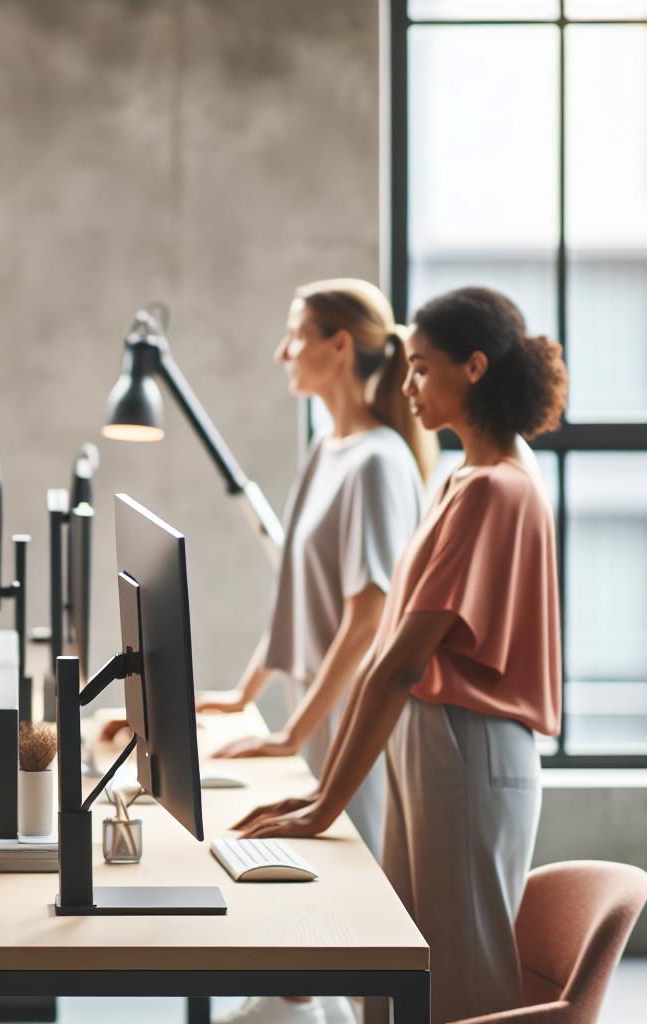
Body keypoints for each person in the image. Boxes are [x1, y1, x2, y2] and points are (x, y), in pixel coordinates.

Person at [235, 286, 567, 1024]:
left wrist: (326, 802)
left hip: (467, 743)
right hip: (437, 739)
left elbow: (398, 661)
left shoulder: (493, 490)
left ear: (473, 369)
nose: (407, 384)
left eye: (422, 368)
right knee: (399, 964)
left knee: (460, 982)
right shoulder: (466, 478)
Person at [199, 281, 433, 1024]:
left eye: (295, 335)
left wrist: (295, 732)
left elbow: (367, 619)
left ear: (339, 345)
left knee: (344, 916)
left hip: (349, 721)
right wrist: (243, 696)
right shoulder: (326, 450)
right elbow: (299, 598)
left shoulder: (377, 461)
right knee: (312, 919)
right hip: (317, 712)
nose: (281, 353)